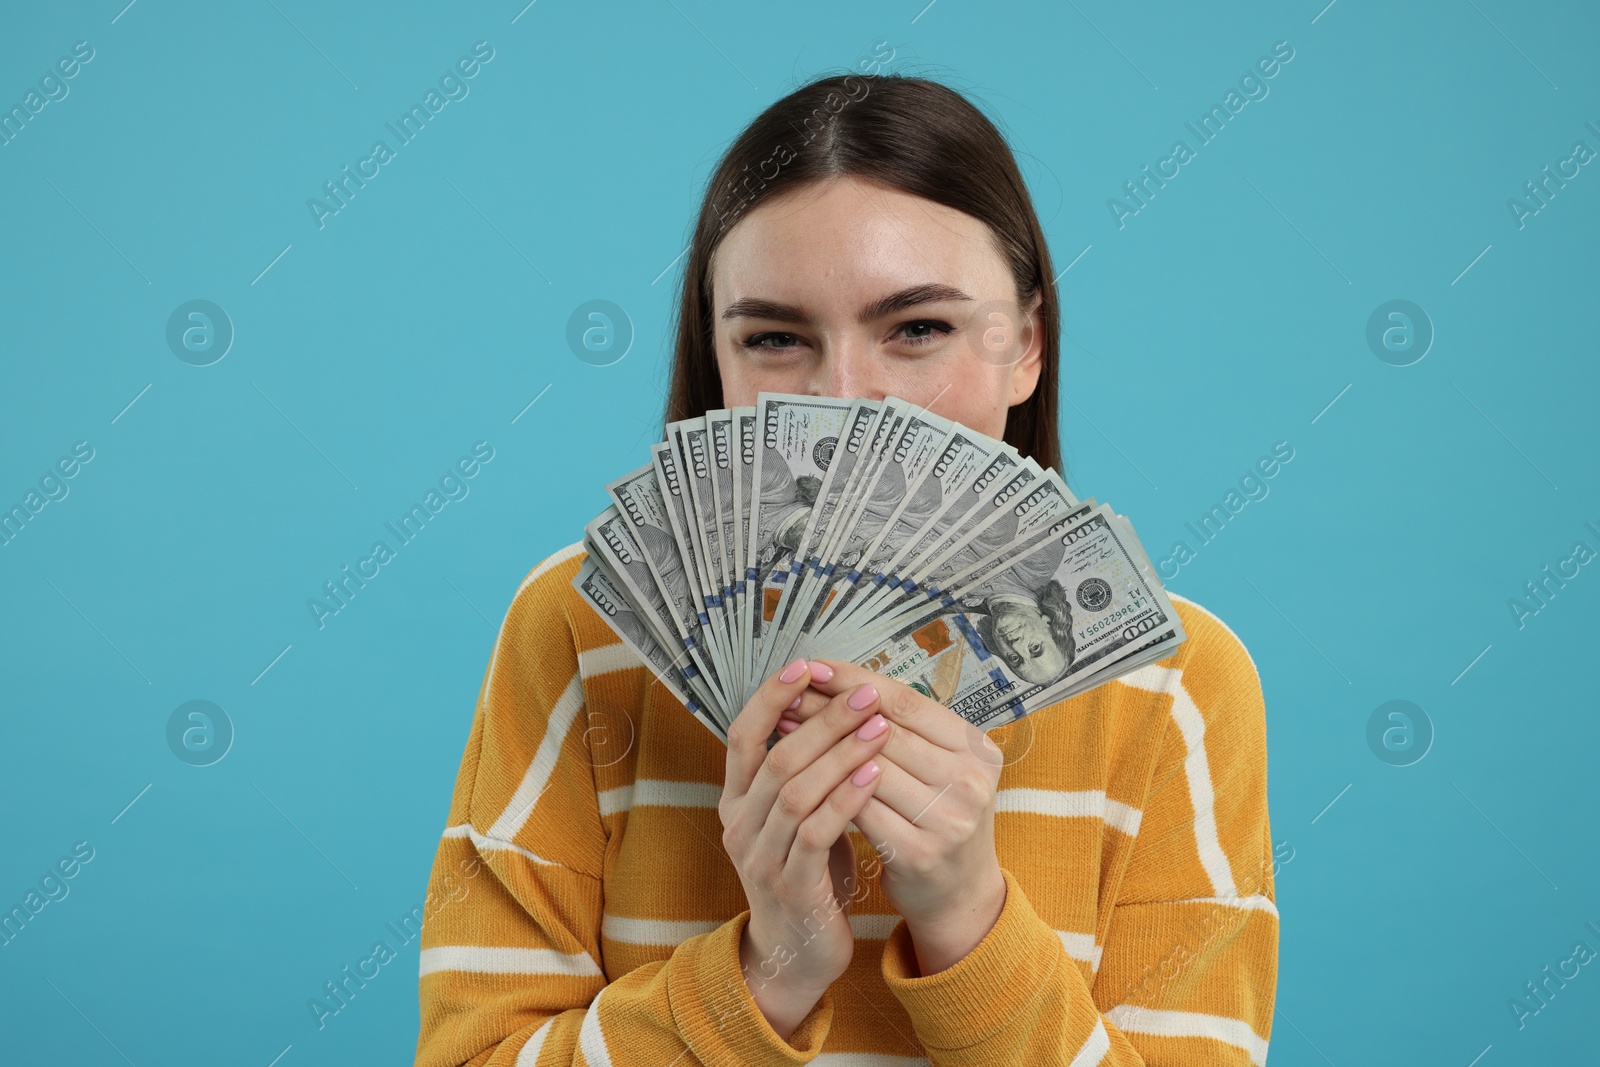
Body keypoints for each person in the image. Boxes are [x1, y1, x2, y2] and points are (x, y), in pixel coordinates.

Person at [414, 71, 1277, 1066]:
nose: (846, 400)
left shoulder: (1174, 688)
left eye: (918, 327)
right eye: (774, 337)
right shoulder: (577, 629)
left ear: (1027, 343)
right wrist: (764, 972)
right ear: (717, 355)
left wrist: (967, 917)